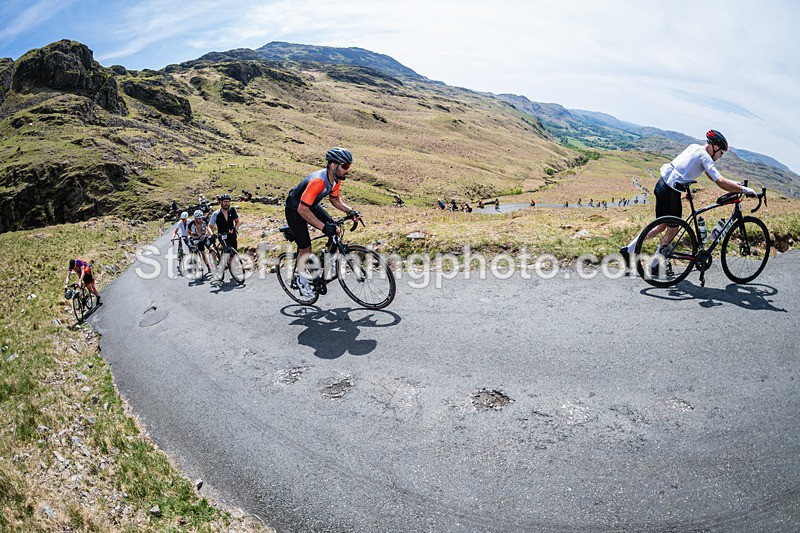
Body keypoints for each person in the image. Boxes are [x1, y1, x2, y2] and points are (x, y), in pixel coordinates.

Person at [619, 129, 755, 266]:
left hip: (661, 183)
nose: (721, 156)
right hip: (671, 190)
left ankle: (628, 250)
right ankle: (655, 265)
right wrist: (744, 189)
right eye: (721, 152)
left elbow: (710, 174)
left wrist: (734, 184)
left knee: (661, 226)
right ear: (714, 147)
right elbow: (719, 181)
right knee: (673, 229)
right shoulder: (705, 157)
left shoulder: (695, 147)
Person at [285, 147, 361, 298]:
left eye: (349, 166)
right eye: (345, 166)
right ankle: (301, 280)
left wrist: (350, 211)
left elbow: (335, 199)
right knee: (306, 249)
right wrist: (322, 227)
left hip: (310, 205)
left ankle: (328, 258)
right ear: (333, 166)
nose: (348, 170)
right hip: (295, 209)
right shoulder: (318, 181)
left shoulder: (336, 179)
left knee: (335, 231)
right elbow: (302, 209)